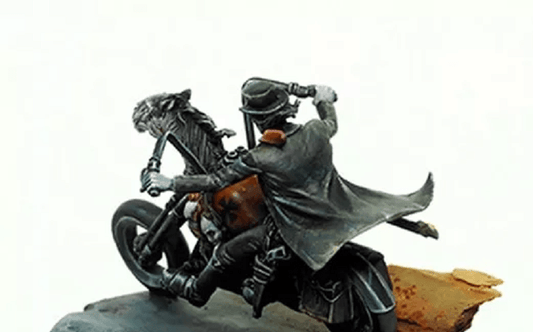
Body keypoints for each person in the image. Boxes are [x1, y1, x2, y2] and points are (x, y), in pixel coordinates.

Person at [141, 79, 433, 307]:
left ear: (257, 120)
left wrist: (171, 183)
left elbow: (216, 179)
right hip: (331, 207)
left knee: (223, 255)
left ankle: (195, 291)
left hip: (285, 230)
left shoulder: (261, 156)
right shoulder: (316, 131)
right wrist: (322, 99)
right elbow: (331, 122)